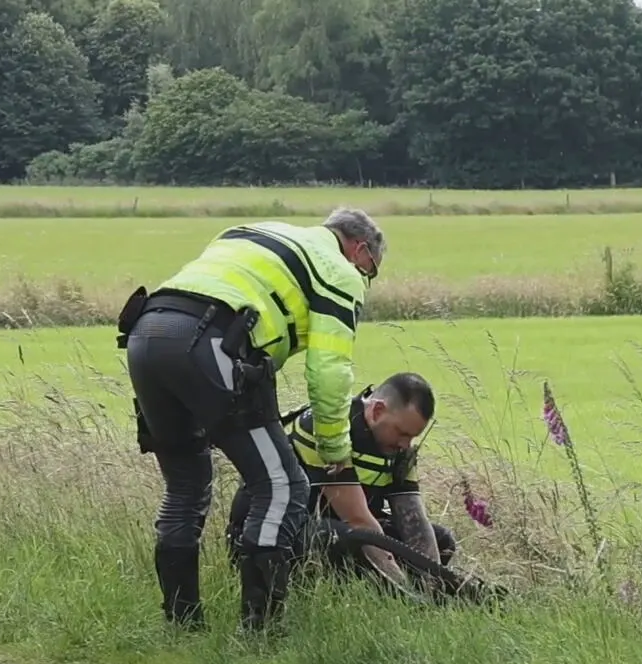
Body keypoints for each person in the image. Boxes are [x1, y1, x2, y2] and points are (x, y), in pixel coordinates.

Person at [118, 208, 384, 633]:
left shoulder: (252, 229)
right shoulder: (340, 270)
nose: (365, 281)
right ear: (360, 248)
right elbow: (330, 373)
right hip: (213, 343)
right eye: (370, 271)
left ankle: (182, 625)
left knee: (185, 485)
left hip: (145, 333)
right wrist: (335, 451)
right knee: (282, 485)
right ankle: (258, 630)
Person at [225, 373, 454, 589]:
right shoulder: (327, 428)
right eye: (402, 433)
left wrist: (433, 582)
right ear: (377, 411)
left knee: (441, 541)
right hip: (275, 533)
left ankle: (386, 592)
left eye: (412, 437)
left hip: (338, 526)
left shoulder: (401, 450)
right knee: (347, 539)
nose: (406, 445)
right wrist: (404, 590)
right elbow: (357, 520)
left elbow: (413, 520)